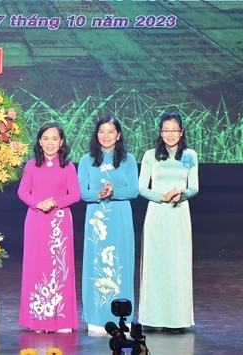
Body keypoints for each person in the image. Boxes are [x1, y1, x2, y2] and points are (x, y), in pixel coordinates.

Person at [138, 112, 199, 333]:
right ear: (160, 132)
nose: (170, 135)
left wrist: (179, 195)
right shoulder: (150, 155)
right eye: (166, 130)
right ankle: (152, 318)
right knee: (155, 265)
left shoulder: (189, 155)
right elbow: (142, 187)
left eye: (174, 130)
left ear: (181, 132)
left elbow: (194, 186)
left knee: (177, 265)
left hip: (179, 214)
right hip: (156, 214)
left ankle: (176, 320)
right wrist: (161, 197)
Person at [17, 122, 81, 333]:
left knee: (59, 269)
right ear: (39, 141)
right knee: (37, 267)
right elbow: (23, 192)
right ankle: (38, 319)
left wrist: (54, 203)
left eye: (55, 138)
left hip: (59, 222)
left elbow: (75, 195)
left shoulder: (68, 167)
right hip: (36, 220)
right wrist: (38, 204)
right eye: (46, 138)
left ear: (61, 142)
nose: (50, 143)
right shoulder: (31, 165)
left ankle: (61, 320)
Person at [78, 116, 139, 335]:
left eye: (111, 131)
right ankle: (96, 319)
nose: (106, 135)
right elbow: (81, 192)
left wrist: (114, 192)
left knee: (120, 263)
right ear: (96, 135)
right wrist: (98, 194)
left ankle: (122, 317)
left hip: (121, 218)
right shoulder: (86, 160)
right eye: (102, 131)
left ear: (118, 135)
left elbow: (133, 190)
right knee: (96, 265)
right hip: (96, 219)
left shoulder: (128, 160)